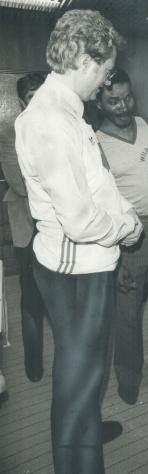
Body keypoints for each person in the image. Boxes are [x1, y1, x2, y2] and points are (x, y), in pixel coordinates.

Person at [14, 10, 143, 474]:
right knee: (77, 380)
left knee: (85, 374)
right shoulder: (51, 121)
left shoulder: (66, 112)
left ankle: (85, 431)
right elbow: (80, 220)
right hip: (76, 271)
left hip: (84, 267)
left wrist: (121, 210)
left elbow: (93, 187)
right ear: (87, 60)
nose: (106, 86)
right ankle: (77, 459)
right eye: (106, 74)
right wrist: (127, 228)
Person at [96, 68, 148, 405]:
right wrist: (115, 252)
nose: (123, 106)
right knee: (126, 311)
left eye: (127, 97)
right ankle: (128, 375)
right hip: (130, 236)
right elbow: (101, 203)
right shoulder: (97, 144)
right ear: (98, 101)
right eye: (113, 100)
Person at [0, 73, 46, 382]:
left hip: (58, 229)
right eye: (32, 97)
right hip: (28, 230)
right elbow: (19, 185)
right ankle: (33, 367)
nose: (39, 102)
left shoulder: (58, 129)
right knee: (31, 298)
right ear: (20, 101)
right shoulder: (9, 137)